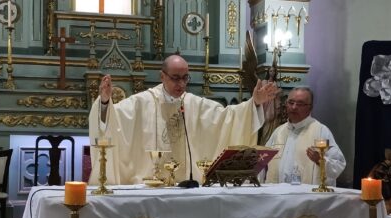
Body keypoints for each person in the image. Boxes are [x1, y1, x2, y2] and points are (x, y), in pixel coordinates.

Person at [88, 55, 277, 185]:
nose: (181, 84)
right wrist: (105, 102)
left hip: (188, 185)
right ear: (162, 76)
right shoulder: (141, 102)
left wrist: (255, 103)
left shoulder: (195, 104)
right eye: (175, 78)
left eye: (185, 78)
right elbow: (112, 120)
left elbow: (228, 117)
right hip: (151, 188)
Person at [260, 87, 346, 185]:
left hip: (306, 197)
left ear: (310, 107)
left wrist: (320, 160)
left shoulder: (320, 131)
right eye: (291, 102)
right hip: (277, 195)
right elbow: (262, 163)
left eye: (300, 104)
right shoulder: (278, 132)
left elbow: (338, 164)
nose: (294, 107)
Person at [258, 66, 284, 145]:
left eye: (273, 71)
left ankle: (272, 143)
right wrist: (276, 92)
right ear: (268, 72)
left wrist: (279, 92)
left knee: (274, 123)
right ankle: (264, 142)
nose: (272, 73)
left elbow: (278, 97)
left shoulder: (276, 83)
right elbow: (263, 94)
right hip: (266, 106)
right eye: (270, 71)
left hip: (274, 106)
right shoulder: (264, 82)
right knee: (267, 122)